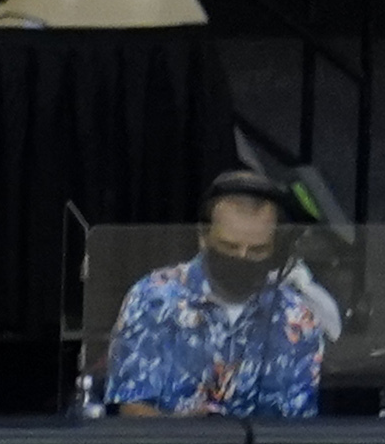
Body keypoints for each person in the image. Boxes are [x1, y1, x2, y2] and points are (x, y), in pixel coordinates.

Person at [104, 173, 334, 420]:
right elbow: (131, 410)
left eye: (257, 250)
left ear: (276, 249)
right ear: (203, 236)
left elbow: (296, 431)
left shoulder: (298, 320)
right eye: (229, 247)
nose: (242, 258)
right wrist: (184, 431)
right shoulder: (152, 298)